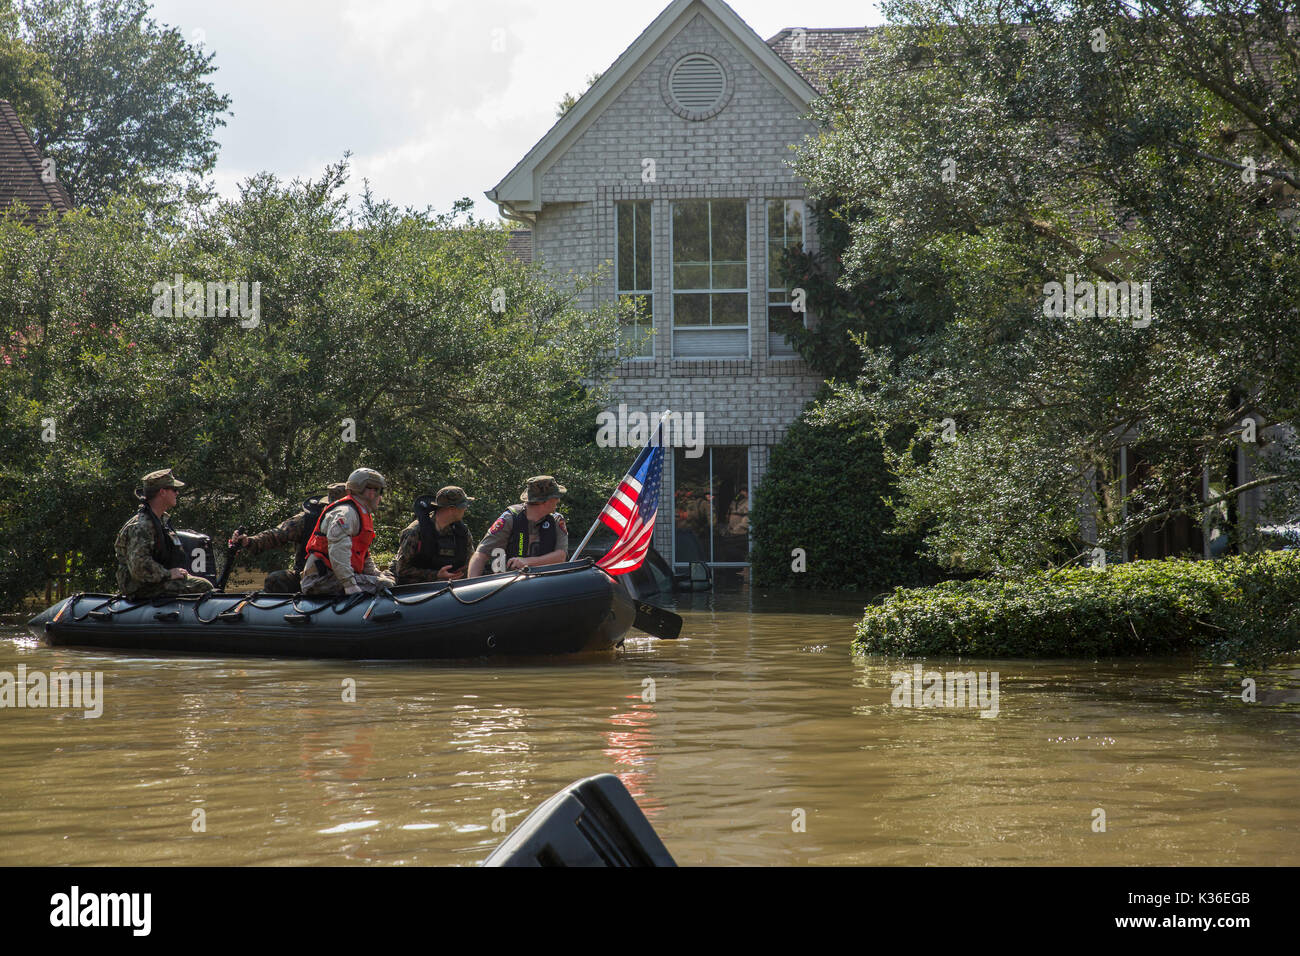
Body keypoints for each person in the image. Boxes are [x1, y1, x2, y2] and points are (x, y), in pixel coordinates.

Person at [114, 469, 214, 600]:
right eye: (174, 489)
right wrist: (168, 574)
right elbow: (139, 567)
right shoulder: (141, 526)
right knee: (203, 586)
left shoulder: (160, 521)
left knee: (203, 583)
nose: (177, 493)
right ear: (162, 492)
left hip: (155, 581)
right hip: (140, 587)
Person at [228, 482, 347, 593]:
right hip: (308, 576)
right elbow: (276, 534)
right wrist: (249, 541)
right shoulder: (307, 520)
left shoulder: (358, 520)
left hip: (345, 576)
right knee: (276, 579)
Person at [299, 468, 396, 596]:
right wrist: (350, 585)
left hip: (333, 577)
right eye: (379, 491)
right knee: (385, 584)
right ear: (371, 492)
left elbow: (362, 553)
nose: (380, 496)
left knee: (387, 579)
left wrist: (376, 574)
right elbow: (337, 550)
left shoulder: (360, 512)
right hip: (321, 580)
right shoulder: (346, 513)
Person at [467, 476, 569, 577]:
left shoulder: (556, 520)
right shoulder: (509, 519)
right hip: (509, 584)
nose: (558, 500)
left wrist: (526, 562)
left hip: (544, 582)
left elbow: (560, 556)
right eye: (556, 496)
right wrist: (471, 587)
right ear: (544, 501)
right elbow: (481, 555)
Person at [390, 486, 477, 584]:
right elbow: (401, 570)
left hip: (448, 588)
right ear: (451, 509)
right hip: (413, 591)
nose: (465, 509)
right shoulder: (415, 531)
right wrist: (436, 575)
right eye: (463, 506)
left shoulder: (462, 532)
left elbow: (471, 562)